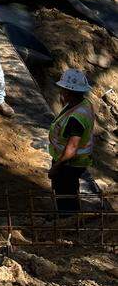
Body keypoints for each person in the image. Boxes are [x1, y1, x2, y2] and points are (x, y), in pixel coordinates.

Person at [48, 68, 95, 216]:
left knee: (65, 192)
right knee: (69, 191)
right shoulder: (84, 103)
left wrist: (56, 167)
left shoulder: (76, 118)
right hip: (74, 162)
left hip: (69, 163)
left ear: (68, 92)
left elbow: (71, 148)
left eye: (62, 90)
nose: (60, 92)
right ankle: (68, 215)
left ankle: (67, 219)